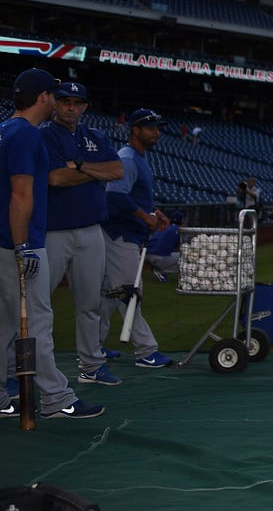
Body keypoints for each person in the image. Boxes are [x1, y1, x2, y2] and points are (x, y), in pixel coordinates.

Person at [0, 68, 104, 419]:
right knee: (38, 324)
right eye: (55, 96)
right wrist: (23, 244)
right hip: (19, 243)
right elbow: (21, 195)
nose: (58, 102)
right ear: (43, 97)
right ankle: (56, 398)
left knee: (3, 326)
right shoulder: (28, 135)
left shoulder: (5, 129)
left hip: (2, 243)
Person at [42, 81, 124, 387]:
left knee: (90, 303)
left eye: (77, 102)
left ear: (85, 106)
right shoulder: (45, 135)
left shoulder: (95, 135)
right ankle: (13, 370)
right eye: (65, 101)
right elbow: (56, 178)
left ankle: (91, 365)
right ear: (54, 103)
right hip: (53, 231)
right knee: (38, 304)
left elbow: (117, 170)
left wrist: (78, 166)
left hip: (91, 230)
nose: (71, 107)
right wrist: (92, 171)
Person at [100, 108, 175, 368]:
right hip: (121, 233)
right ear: (135, 130)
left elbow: (133, 196)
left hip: (125, 233)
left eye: (157, 127)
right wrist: (146, 217)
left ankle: (94, 346)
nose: (156, 133)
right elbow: (115, 195)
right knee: (130, 292)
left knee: (110, 294)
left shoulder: (137, 158)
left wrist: (154, 212)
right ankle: (146, 351)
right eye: (150, 128)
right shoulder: (128, 158)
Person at [145, 212, 183, 283]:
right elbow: (180, 247)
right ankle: (161, 271)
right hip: (158, 256)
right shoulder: (178, 229)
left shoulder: (164, 226)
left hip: (146, 255)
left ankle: (159, 269)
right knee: (185, 257)